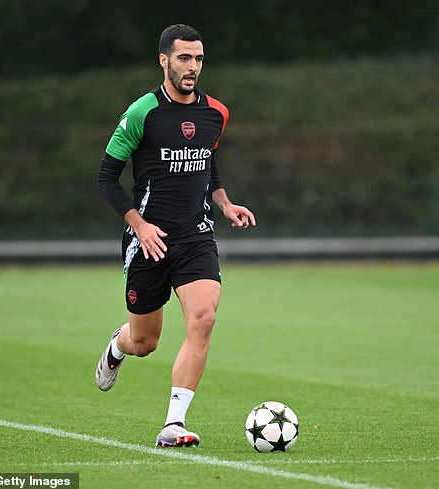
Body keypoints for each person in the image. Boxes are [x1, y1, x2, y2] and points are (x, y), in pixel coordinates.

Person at [95, 23, 255, 448]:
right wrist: (140, 226)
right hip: (148, 242)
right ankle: (117, 346)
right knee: (144, 342)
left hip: (196, 238)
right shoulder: (141, 112)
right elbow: (107, 177)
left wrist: (224, 202)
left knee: (203, 319)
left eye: (199, 59)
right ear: (164, 60)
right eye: (184, 58)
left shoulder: (215, 112)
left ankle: (173, 423)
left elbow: (208, 162)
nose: (193, 67)